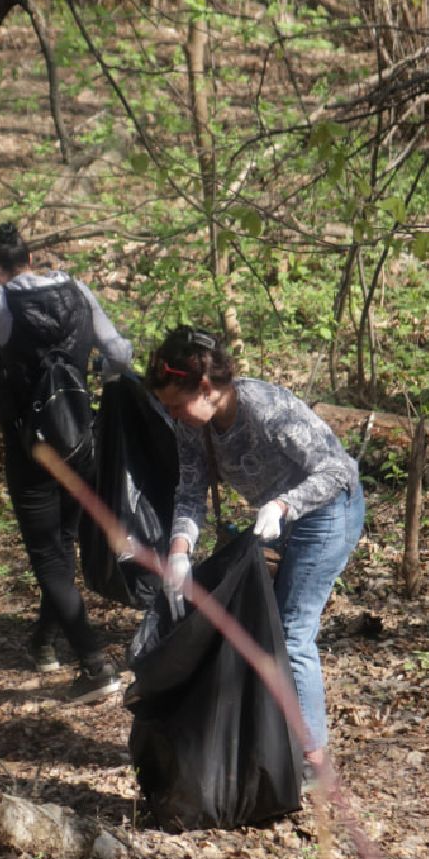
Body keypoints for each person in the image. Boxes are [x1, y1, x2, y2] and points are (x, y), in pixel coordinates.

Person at [144, 326, 364, 777]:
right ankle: (266, 736)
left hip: (327, 512)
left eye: (176, 404)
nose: (171, 414)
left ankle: (314, 759)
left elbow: (339, 471)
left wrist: (284, 505)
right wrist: (180, 551)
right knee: (256, 623)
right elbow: (191, 491)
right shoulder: (193, 426)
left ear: (206, 387)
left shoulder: (265, 409)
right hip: (275, 519)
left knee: (291, 629)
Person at [0, 223, 132, 703]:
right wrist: (95, 377)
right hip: (80, 444)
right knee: (62, 545)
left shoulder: (0, 304)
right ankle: (44, 643)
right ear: (28, 259)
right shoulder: (78, 291)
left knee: (47, 556)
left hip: (34, 452)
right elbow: (120, 352)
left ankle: (94, 664)